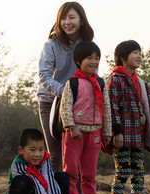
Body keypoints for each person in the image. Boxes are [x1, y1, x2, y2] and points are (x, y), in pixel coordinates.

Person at [107, 40, 150, 194]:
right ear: (122, 57)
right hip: (121, 137)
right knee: (122, 172)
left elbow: (148, 111)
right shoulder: (115, 80)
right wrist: (117, 132)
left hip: (137, 136)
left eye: (140, 53)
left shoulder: (143, 84)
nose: (139, 56)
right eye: (134, 52)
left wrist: (149, 137)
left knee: (138, 174)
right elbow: (111, 107)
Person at [37, 1, 94, 173]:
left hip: (78, 105)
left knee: (75, 154)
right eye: (63, 18)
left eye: (71, 17)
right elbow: (44, 77)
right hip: (51, 102)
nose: (67, 22)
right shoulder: (51, 45)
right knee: (55, 155)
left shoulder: (88, 45)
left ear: (81, 20)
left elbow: (92, 75)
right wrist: (68, 92)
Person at [60, 41, 112, 194]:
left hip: (95, 133)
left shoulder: (101, 83)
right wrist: (71, 126)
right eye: (89, 58)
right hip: (75, 133)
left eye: (97, 58)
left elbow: (106, 108)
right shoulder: (72, 83)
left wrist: (107, 132)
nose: (94, 61)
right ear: (78, 61)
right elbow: (65, 107)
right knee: (71, 170)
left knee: (90, 172)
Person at [3, 129, 69, 194]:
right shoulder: (18, 165)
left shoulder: (45, 161)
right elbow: (37, 185)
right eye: (32, 150)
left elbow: (49, 182)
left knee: (62, 177)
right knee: (22, 181)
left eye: (41, 150)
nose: (37, 154)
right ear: (21, 150)